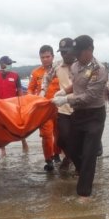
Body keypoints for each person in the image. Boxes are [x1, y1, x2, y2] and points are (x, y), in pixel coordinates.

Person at [52, 35, 108, 201]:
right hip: (78, 114)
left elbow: (89, 96)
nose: (75, 55)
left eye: (78, 52)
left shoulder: (99, 69)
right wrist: (64, 91)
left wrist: (65, 99)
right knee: (70, 145)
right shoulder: (76, 65)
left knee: (89, 154)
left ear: (90, 50)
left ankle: (84, 194)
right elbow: (76, 84)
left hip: (94, 115)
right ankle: (85, 172)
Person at [41, 38, 76, 171]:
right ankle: (69, 157)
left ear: (73, 51)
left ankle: (74, 162)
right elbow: (47, 77)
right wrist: (43, 90)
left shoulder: (81, 64)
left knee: (78, 137)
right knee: (62, 139)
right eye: (61, 52)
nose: (63, 55)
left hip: (80, 107)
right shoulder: (57, 65)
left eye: (66, 52)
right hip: (63, 109)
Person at [27, 45, 61, 171]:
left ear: (53, 56)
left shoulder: (60, 70)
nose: (45, 59)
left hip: (59, 107)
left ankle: (57, 154)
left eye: (47, 56)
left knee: (60, 133)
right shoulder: (36, 73)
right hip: (44, 109)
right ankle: (49, 159)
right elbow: (30, 89)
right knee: (46, 135)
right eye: (42, 57)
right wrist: (31, 97)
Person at [0, 56, 29, 157]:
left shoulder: (15, 75)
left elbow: (19, 89)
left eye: (11, 64)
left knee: (19, 125)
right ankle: (3, 149)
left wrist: (22, 103)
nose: (10, 66)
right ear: (2, 64)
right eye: (8, 64)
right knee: (2, 127)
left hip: (13, 106)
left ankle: (24, 142)